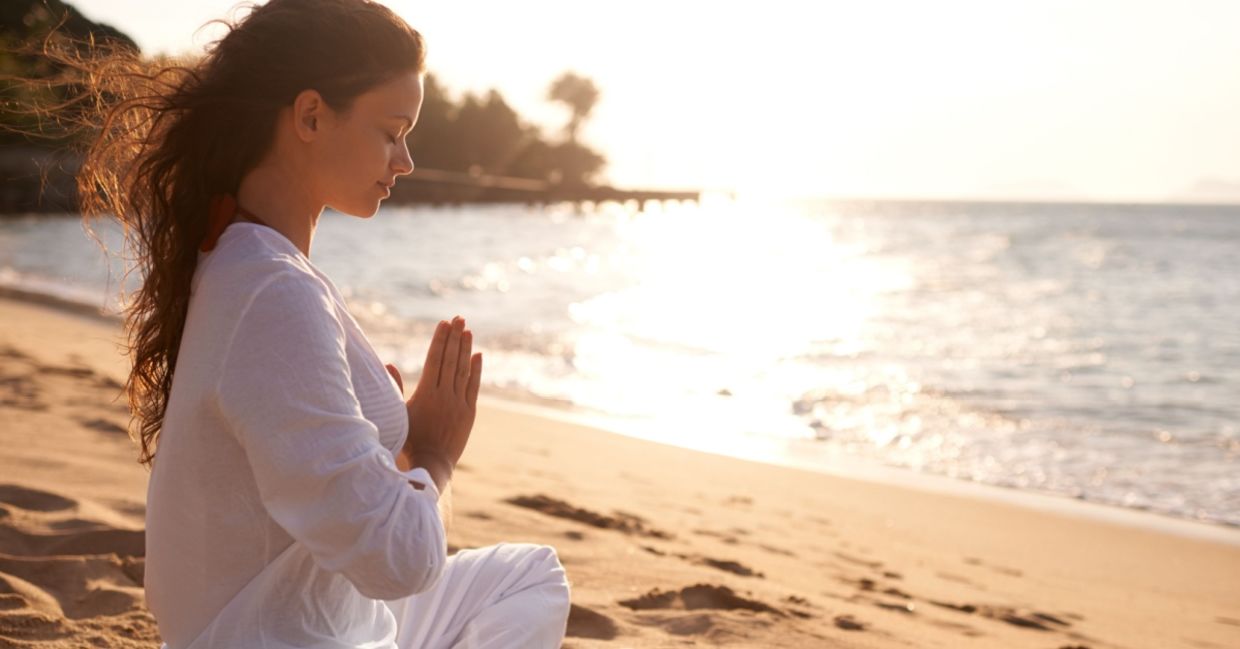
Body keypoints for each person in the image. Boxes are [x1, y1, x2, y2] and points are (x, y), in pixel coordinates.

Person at [39, 0, 572, 646]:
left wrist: (390, 456)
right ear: (311, 116)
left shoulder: (239, 257)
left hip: (300, 617)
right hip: (276, 633)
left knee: (530, 573)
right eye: (392, 130)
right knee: (526, 584)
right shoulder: (272, 296)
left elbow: (302, 487)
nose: (403, 160)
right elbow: (398, 560)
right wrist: (433, 453)